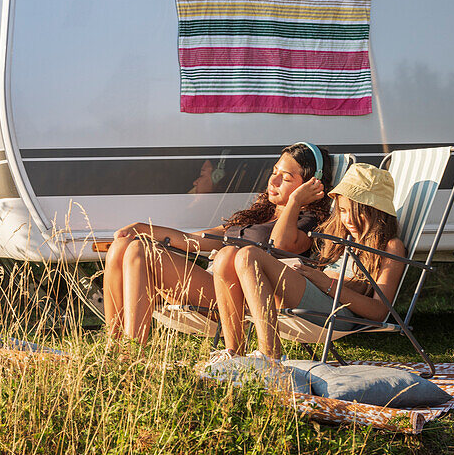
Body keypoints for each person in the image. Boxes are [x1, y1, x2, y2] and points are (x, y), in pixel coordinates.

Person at [103, 142, 333, 344]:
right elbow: (194, 240)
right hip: (213, 282)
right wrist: (142, 228)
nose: (272, 180)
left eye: (285, 178)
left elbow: (280, 244)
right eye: (274, 172)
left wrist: (294, 202)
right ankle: (113, 343)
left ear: (311, 186)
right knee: (124, 245)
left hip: (236, 296)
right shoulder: (259, 215)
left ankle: (132, 352)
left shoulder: (309, 221)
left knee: (139, 251)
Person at [212, 163, 402, 358]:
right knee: (226, 255)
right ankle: (233, 354)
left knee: (248, 255)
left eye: (359, 212)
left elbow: (379, 312)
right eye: (343, 211)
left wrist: (326, 283)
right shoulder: (341, 236)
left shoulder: (390, 246)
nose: (349, 220)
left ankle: (270, 356)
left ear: (378, 212)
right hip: (315, 292)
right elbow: (278, 243)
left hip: (339, 311)